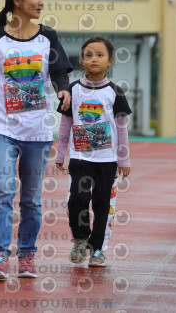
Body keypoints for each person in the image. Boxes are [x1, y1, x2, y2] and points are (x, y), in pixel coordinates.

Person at [0, 0, 73, 280]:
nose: (41, 2)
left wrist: (63, 89)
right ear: (17, 0)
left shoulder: (48, 37)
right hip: (1, 128)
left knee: (31, 199)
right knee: (3, 189)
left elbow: (60, 73)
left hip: (37, 132)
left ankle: (27, 255)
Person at [55, 36, 132, 267]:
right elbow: (65, 125)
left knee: (102, 204)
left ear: (110, 61)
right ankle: (80, 239)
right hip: (80, 158)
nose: (94, 59)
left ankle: (97, 249)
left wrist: (124, 160)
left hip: (107, 160)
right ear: (82, 60)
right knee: (77, 199)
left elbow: (121, 128)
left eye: (100, 55)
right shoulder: (72, 90)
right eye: (88, 55)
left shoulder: (115, 92)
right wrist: (60, 153)